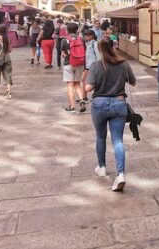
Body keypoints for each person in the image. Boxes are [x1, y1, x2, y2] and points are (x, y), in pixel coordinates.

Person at [85, 39, 136, 192]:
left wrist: (94, 82)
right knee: (118, 140)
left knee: (100, 137)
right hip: (119, 104)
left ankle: (102, 167)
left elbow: (88, 88)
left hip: (99, 104)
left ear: (100, 50)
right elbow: (133, 82)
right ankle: (120, 174)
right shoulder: (124, 64)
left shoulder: (95, 65)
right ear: (114, 47)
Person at [61, 22, 87, 113]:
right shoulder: (82, 39)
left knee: (70, 84)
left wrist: (64, 55)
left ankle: (72, 106)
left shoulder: (65, 40)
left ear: (67, 30)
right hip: (80, 63)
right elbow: (84, 51)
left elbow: (63, 53)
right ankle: (82, 100)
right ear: (77, 30)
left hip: (69, 63)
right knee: (77, 84)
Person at [82, 29, 101, 101]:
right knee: (84, 81)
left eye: (88, 35)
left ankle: (95, 95)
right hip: (87, 66)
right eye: (85, 35)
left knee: (92, 82)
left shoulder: (95, 44)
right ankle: (84, 97)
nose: (86, 36)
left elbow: (98, 55)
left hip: (93, 66)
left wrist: (98, 66)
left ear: (92, 36)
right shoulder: (87, 43)